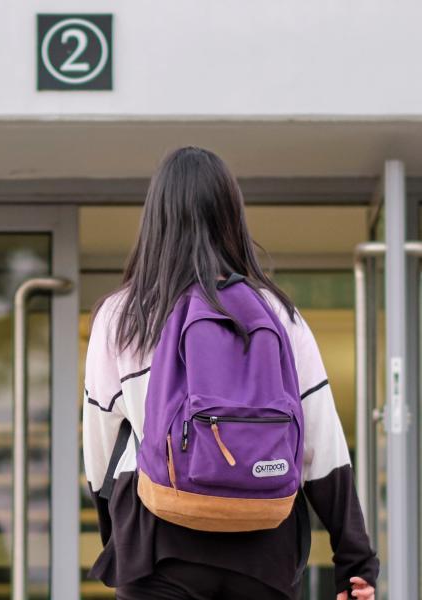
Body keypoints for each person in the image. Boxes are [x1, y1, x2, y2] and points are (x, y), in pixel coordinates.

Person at [82, 146, 379, 599]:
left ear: (156, 219)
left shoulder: (124, 316)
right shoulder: (277, 314)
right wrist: (354, 558)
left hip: (157, 544)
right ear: (231, 217)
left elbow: (101, 448)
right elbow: (322, 443)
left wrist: (117, 536)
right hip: (263, 547)